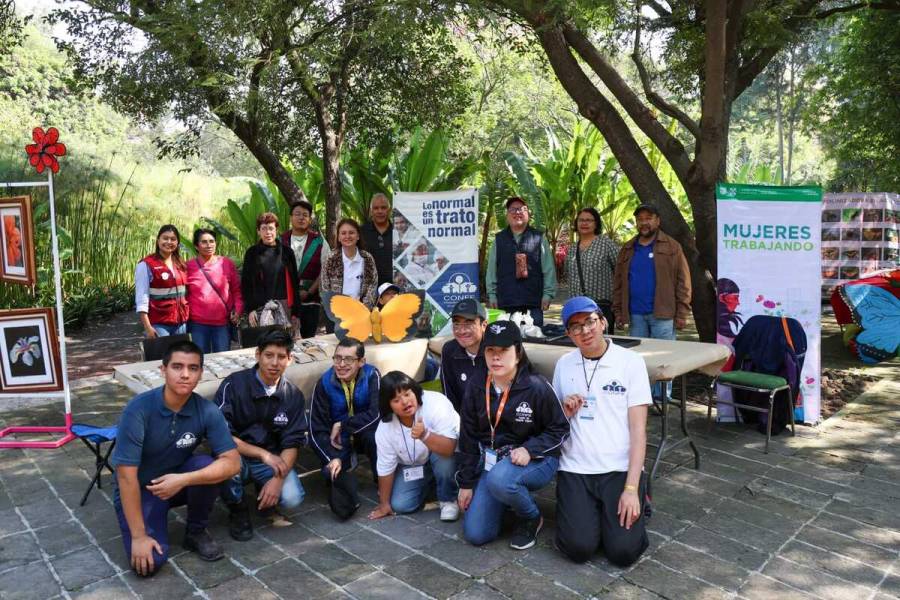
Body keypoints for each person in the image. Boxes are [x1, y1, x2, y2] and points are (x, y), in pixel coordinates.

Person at [111, 340, 240, 576]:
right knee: (150, 563)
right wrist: (139, 537)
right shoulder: (138, 409)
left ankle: (195, 531)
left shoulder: (206, 410)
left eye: (193, 368)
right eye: (177, 367)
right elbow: (125, 477)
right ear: (163, 370)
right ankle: (147, 521)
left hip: (176, 481)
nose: (185, 375)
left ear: (201, 373)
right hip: (141, 488)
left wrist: (184, 480)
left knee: (206, 465)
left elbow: (233, 463)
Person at [552, 297, 651, 567]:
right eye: (575, 327)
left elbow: (639, 431)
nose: (585, 331)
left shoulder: (630, 362)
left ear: (603, 322)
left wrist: (631, 488)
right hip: (575, 467)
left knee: (623, 552)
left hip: (618, 468)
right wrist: (565, 410)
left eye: (590, 322)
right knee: (578, 549)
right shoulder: (564, 364)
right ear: (568, 334)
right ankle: (592, 514)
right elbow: (555, 422)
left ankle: (642, 495)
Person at [457, 321, 569, 550]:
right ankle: (506, 498)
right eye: (490, 350)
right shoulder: (476, 385)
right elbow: (468, 436)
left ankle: (531, 517)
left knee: (501, 479)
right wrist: (466, 483)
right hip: (494, 461)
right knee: (476, 533)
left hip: (537, 459)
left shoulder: (536, 386)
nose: (496, 357)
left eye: (503, 350)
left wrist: (530, 449)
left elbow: (560, 428)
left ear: (517, 353)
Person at [215, 329, 307, 541]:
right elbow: (222, 436)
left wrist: (278, 479)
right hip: (237, 455)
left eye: (281, 357)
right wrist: (263, 455)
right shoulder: (233, 385)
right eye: (269, 355)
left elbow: (292, 443)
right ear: (258, 355)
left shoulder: (293, 395)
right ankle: (237, 510)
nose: (274, 363)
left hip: (272, 460)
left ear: (290, 359)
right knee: (225, 465)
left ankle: (265, 498)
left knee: (293, 497)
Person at [612, 204, 691, 398]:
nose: (644, 223)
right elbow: (619, 283)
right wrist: (619, 312)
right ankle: (642, 399)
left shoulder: (672, 246)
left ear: (657, 221)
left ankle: (661, 400)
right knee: (638, 360)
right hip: (636, 315)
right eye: (640, 219)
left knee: (664, 360)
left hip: (663, 314)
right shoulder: (628, 248)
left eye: (648, 218)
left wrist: (682, 313)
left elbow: (684, 282)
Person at [368, 371, 460, 522]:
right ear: (388, 405)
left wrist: (425, 435)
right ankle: (435, 482)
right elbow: (385, 467)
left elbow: (449, 448)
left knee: (443, 461)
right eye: (396, 400)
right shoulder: (384, 428)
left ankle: (448, 499)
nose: (405, 402)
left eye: (407, 394)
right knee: (400, 505)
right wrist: (384, 504)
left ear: (415, 391)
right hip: (415, 465)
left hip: (445, 453)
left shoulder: (436, 403)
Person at [309, 338, 381, 519]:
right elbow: (316, 429)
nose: (341, 364)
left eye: (348, 359)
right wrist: (331, 457)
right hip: (338, 441)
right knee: (333, 478)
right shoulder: (324, 383)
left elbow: (376, 414)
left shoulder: (372, 375)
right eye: (337, 358)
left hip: (363, 432)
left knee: (375, 437)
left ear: (361, 362)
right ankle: (345, 477)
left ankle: (381, 481)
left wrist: (343, 425)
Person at [485, 197, 557, 327]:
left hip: (533, 302)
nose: (517, 212)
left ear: (528, 214)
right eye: (513, 209)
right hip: (505, 302)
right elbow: (492, 270)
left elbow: (548, 269)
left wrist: (548, 294)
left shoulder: (539, 238)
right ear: (507, 215)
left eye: (521, 209)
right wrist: (492, 295)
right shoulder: (499, 239)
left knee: (533, 337)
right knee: (506, 338)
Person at [241, 212, 301, 332]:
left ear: (276, 230)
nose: (268, 232)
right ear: (258, 231)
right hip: (260, 307)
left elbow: (295, 283)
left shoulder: (287, 252)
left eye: (271, 228)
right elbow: (246, 284)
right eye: (264, 229)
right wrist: (250, 309)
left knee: (285, 340)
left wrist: (296, 312)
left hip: (284, 306)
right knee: (264, 340)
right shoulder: (252, 253)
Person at [186, 228, 243, 354]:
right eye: (204, 242)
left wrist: (238, 310)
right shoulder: (188, 266)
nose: (209, 245)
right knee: (199, 359)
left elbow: (236, 290)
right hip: (198, 324)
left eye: (211, 241)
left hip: (222, 324)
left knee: (223, 359)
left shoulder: (226, 263)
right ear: (196, 246)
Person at [281, 201, 331, 338]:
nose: (301, 218)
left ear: (310, 219)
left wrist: (309, 291)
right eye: (297, 214)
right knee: (284, 341)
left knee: (308, 341)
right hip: (286, 302)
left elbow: (326, 270)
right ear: (291, 217)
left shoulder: (319, 242)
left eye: (305, 215)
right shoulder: (281, 241)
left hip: (310, 301)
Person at [566, 207, 620, 334]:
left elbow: (620, 272)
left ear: (596, 224)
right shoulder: (572, 248)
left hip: (600, 307)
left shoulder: (606, 244)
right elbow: (568, 273)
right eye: (581, 220)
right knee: (580, 340)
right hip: (577, 308)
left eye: (589, 220)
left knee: (602, 341)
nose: (584, 223)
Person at [135, 225, 189, 338]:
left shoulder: (180, 264)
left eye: (173, 239)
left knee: (181, 350)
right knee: (162, 350)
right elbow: (141, 298)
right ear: (158, 240)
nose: (169, 242)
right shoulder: (146, 264)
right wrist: (147, 327)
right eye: (165, 238)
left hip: (181, 324)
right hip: (159, 324)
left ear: (177, 242)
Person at [440, 298, 487, 412]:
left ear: (484, 325)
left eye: (468, 323)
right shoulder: (449, 350)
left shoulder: (496, 349)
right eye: (456, 324)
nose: (461, 331)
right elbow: (449, 394)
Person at [320, 218, 379, 308]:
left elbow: (372, 285)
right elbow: (324, 287)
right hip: (336, 311)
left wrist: (364, 308)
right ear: (339, 237)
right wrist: (333, 309)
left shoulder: (367, 258)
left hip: (361, 310)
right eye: (343, 233)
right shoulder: (331, 259)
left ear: (358, 236)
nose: (347, 236)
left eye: (351, 233)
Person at [361, 193, 394, 286]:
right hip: (369, 287)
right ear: (371, 211)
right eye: (376, 208)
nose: (380, 211)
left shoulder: (398, 231)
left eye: (383, 208)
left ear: (389, 210)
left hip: (395, 288)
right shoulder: (361, 232)